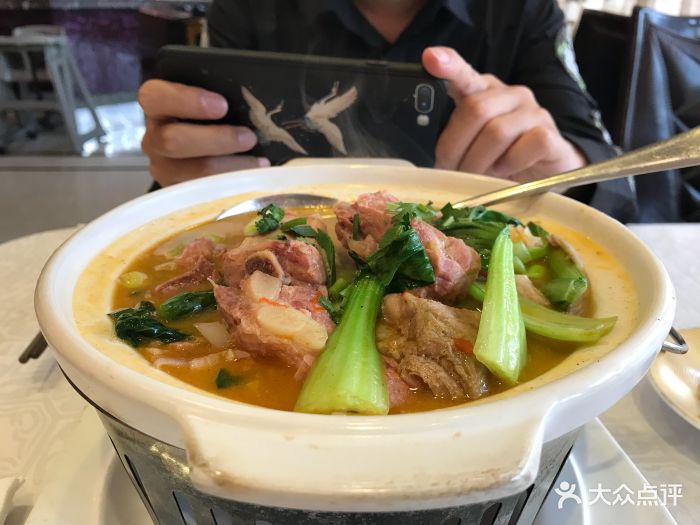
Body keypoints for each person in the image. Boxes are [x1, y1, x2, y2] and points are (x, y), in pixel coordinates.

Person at [139, 0, 636, 220]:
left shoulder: (523, 9)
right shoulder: (247, 7)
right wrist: (180, 171)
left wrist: (564, 170)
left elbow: (615, 178)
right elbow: (193, 183)